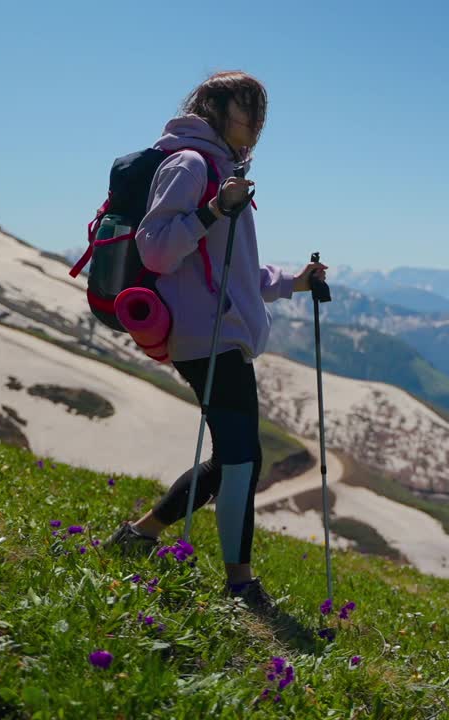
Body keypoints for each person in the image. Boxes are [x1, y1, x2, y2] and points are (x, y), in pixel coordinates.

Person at [104, 70, 327, 614]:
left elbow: (234, 270)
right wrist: (212, 210)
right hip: (207, 340)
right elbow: (156, 250)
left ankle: (139, 536)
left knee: (231, 459)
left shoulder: (222, 169)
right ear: (214, 108)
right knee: (242, 461)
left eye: (260, 109)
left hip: (219, 336)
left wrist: (294, 282)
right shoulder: (190, 164)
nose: (256, 120)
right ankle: (240, 583)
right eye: (245, 107)